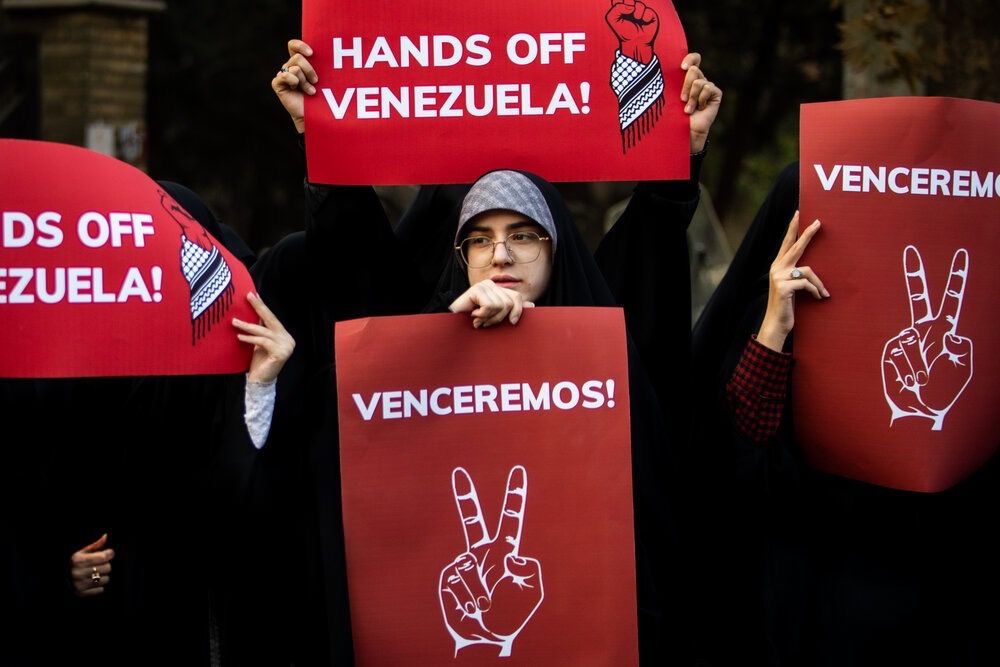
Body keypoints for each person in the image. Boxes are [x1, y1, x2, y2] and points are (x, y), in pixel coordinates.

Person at [232, 35, 721, 665]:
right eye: (482, 240)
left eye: (524, 236)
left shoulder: (611, 350)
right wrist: (436, 344)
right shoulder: (413, 346)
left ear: (555, 249)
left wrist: (682, 148)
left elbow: (649, 262)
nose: (503, 255)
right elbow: (347, 428)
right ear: (459, 258)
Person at [690, 163, 1000, 666]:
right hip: (809, 599)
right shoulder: (766, 319)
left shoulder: (952, 341)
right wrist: (773, 332)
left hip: (938, 598)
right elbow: (737, 462)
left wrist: (931, 411)